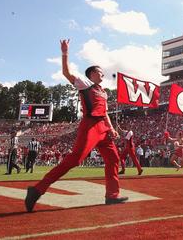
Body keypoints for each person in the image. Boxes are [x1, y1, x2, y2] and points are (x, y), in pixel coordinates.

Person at [25, 39, 127, 213]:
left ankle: (112, 195)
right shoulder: (85, 84)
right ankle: (37, 189)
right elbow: (66, 72)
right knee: (75, 159)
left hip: (103, 127)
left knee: (113, 159)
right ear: (92, 74)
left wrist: (111, 128)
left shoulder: (103, 92)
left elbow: (105, 113)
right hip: (90, 126)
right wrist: (65, 53)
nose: (103, 74)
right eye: (99, 72)